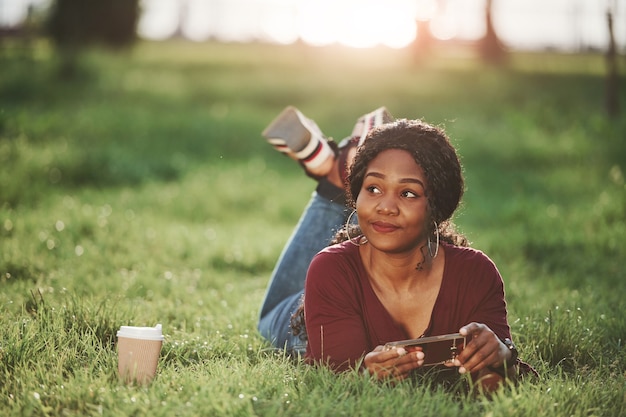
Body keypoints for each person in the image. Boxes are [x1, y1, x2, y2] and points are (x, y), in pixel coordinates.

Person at [258, 111, 534, 388]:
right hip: (315, 312)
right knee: (268, 318)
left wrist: (502, 356)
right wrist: (365, 375)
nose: (387, 204)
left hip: (359, 261)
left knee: (384, 217)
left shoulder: (476, 274)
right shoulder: (330, 271)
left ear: (438, 206)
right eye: (372, 187)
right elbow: (335, 382)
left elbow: (498, 383)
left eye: (409, 192)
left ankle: (344, 166)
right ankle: (337, 177)